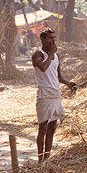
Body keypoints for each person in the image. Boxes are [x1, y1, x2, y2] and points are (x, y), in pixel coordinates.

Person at [32, 28, 76, 162]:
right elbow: (43, 68)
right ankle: (40, 160)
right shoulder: (38, 54)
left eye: (54, 37)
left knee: (52, 129)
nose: (53, 40)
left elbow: (58, 75)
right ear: (42, 39)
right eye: (50, 38)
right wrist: (51, 54)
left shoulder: (57, 56)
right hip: (44, 95)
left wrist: (67, 83)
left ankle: (47, 158)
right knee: (43, 128)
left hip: (56, 94)